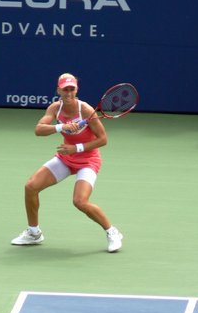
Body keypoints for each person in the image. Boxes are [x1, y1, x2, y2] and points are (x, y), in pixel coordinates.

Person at [11, 73, 124, 253]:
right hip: (65, 159)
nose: (69, 93)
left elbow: (103, 140)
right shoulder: (55, 108)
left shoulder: (86, 110)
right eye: (65, 89)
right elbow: (38, 130)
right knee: (31, 187)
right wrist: (61, 127)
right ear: (58, 90)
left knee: (80, 201)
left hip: (88, 160)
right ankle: (34, 233)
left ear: (76, 90)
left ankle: (112, 232)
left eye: (72, 89)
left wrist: (77, 148)